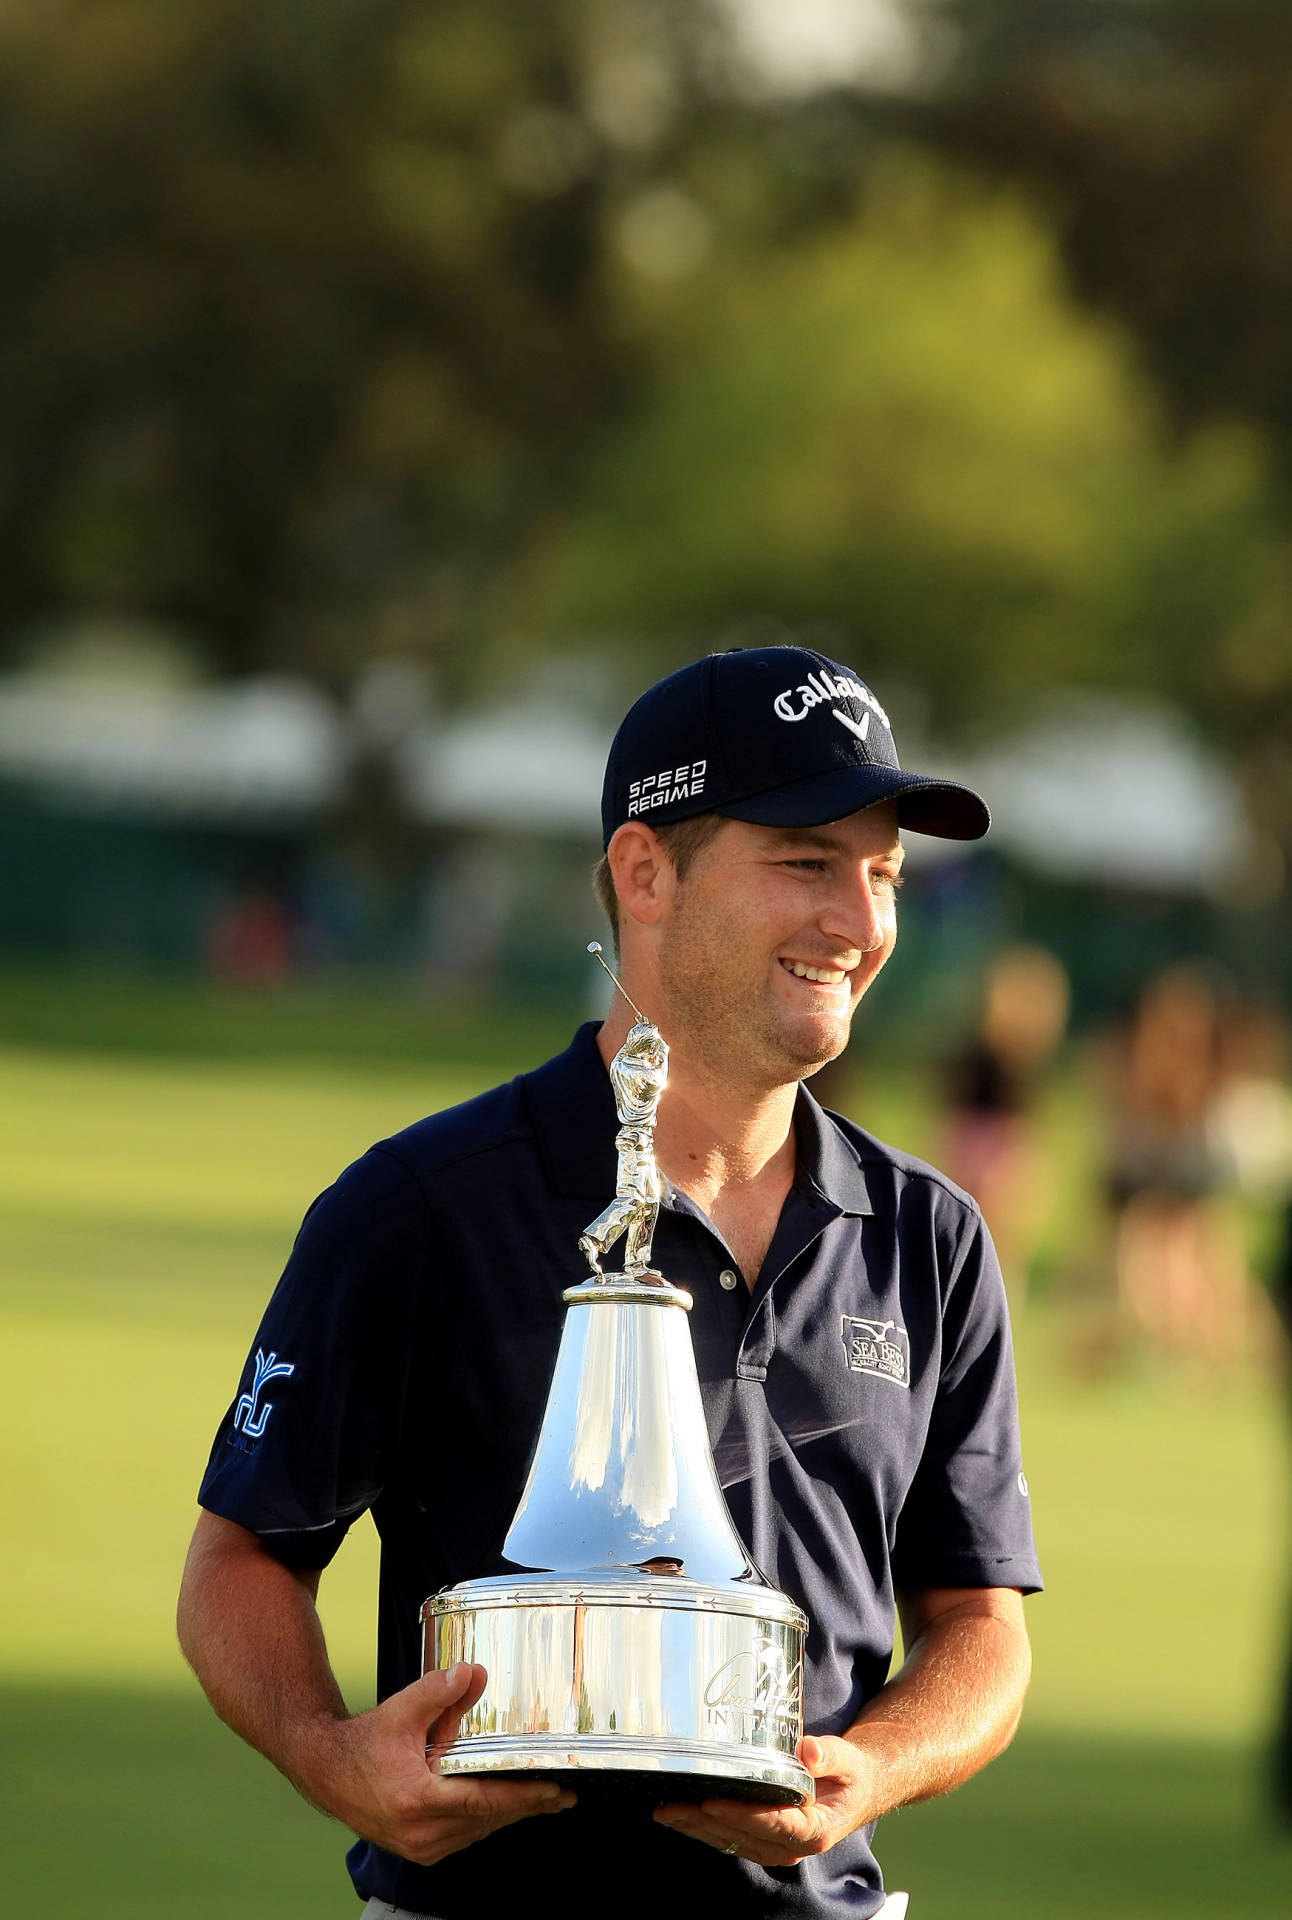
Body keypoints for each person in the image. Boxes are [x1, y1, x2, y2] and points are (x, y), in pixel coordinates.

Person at [178, 646, 1042, 1919]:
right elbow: (240, 1559)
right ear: (644, 873)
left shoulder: (931, 1236)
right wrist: (332, 1756)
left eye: (881, 876)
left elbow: (981, 1625)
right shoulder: (420, 1206)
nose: (857, 925)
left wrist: (867, 1771)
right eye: (804, 863)